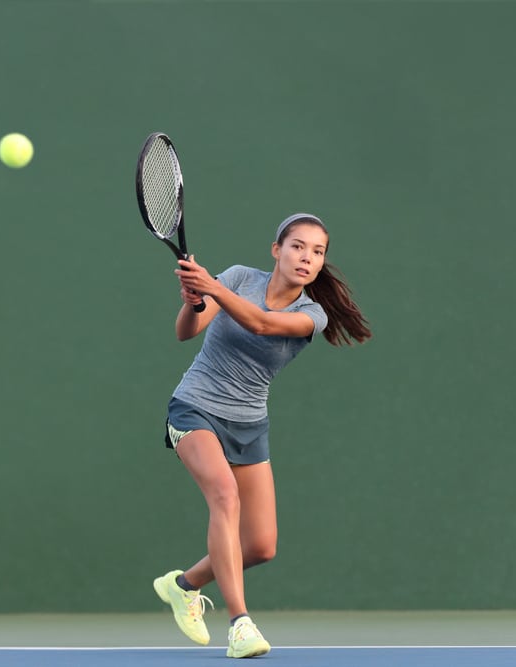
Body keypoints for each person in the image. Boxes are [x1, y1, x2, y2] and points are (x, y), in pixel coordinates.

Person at [152, 213, 371, 658]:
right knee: (224, 496)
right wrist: (196, 300)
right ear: (277, 250)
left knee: (260, 545)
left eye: (317, 251)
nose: (307, 257)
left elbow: (263, 325)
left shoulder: (313, 314)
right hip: (195, 406)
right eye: (298, 246)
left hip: (249, 423)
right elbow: (186, 332)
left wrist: (213, 289)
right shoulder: (236, 277)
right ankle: (240, 624)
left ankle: (182, 585)